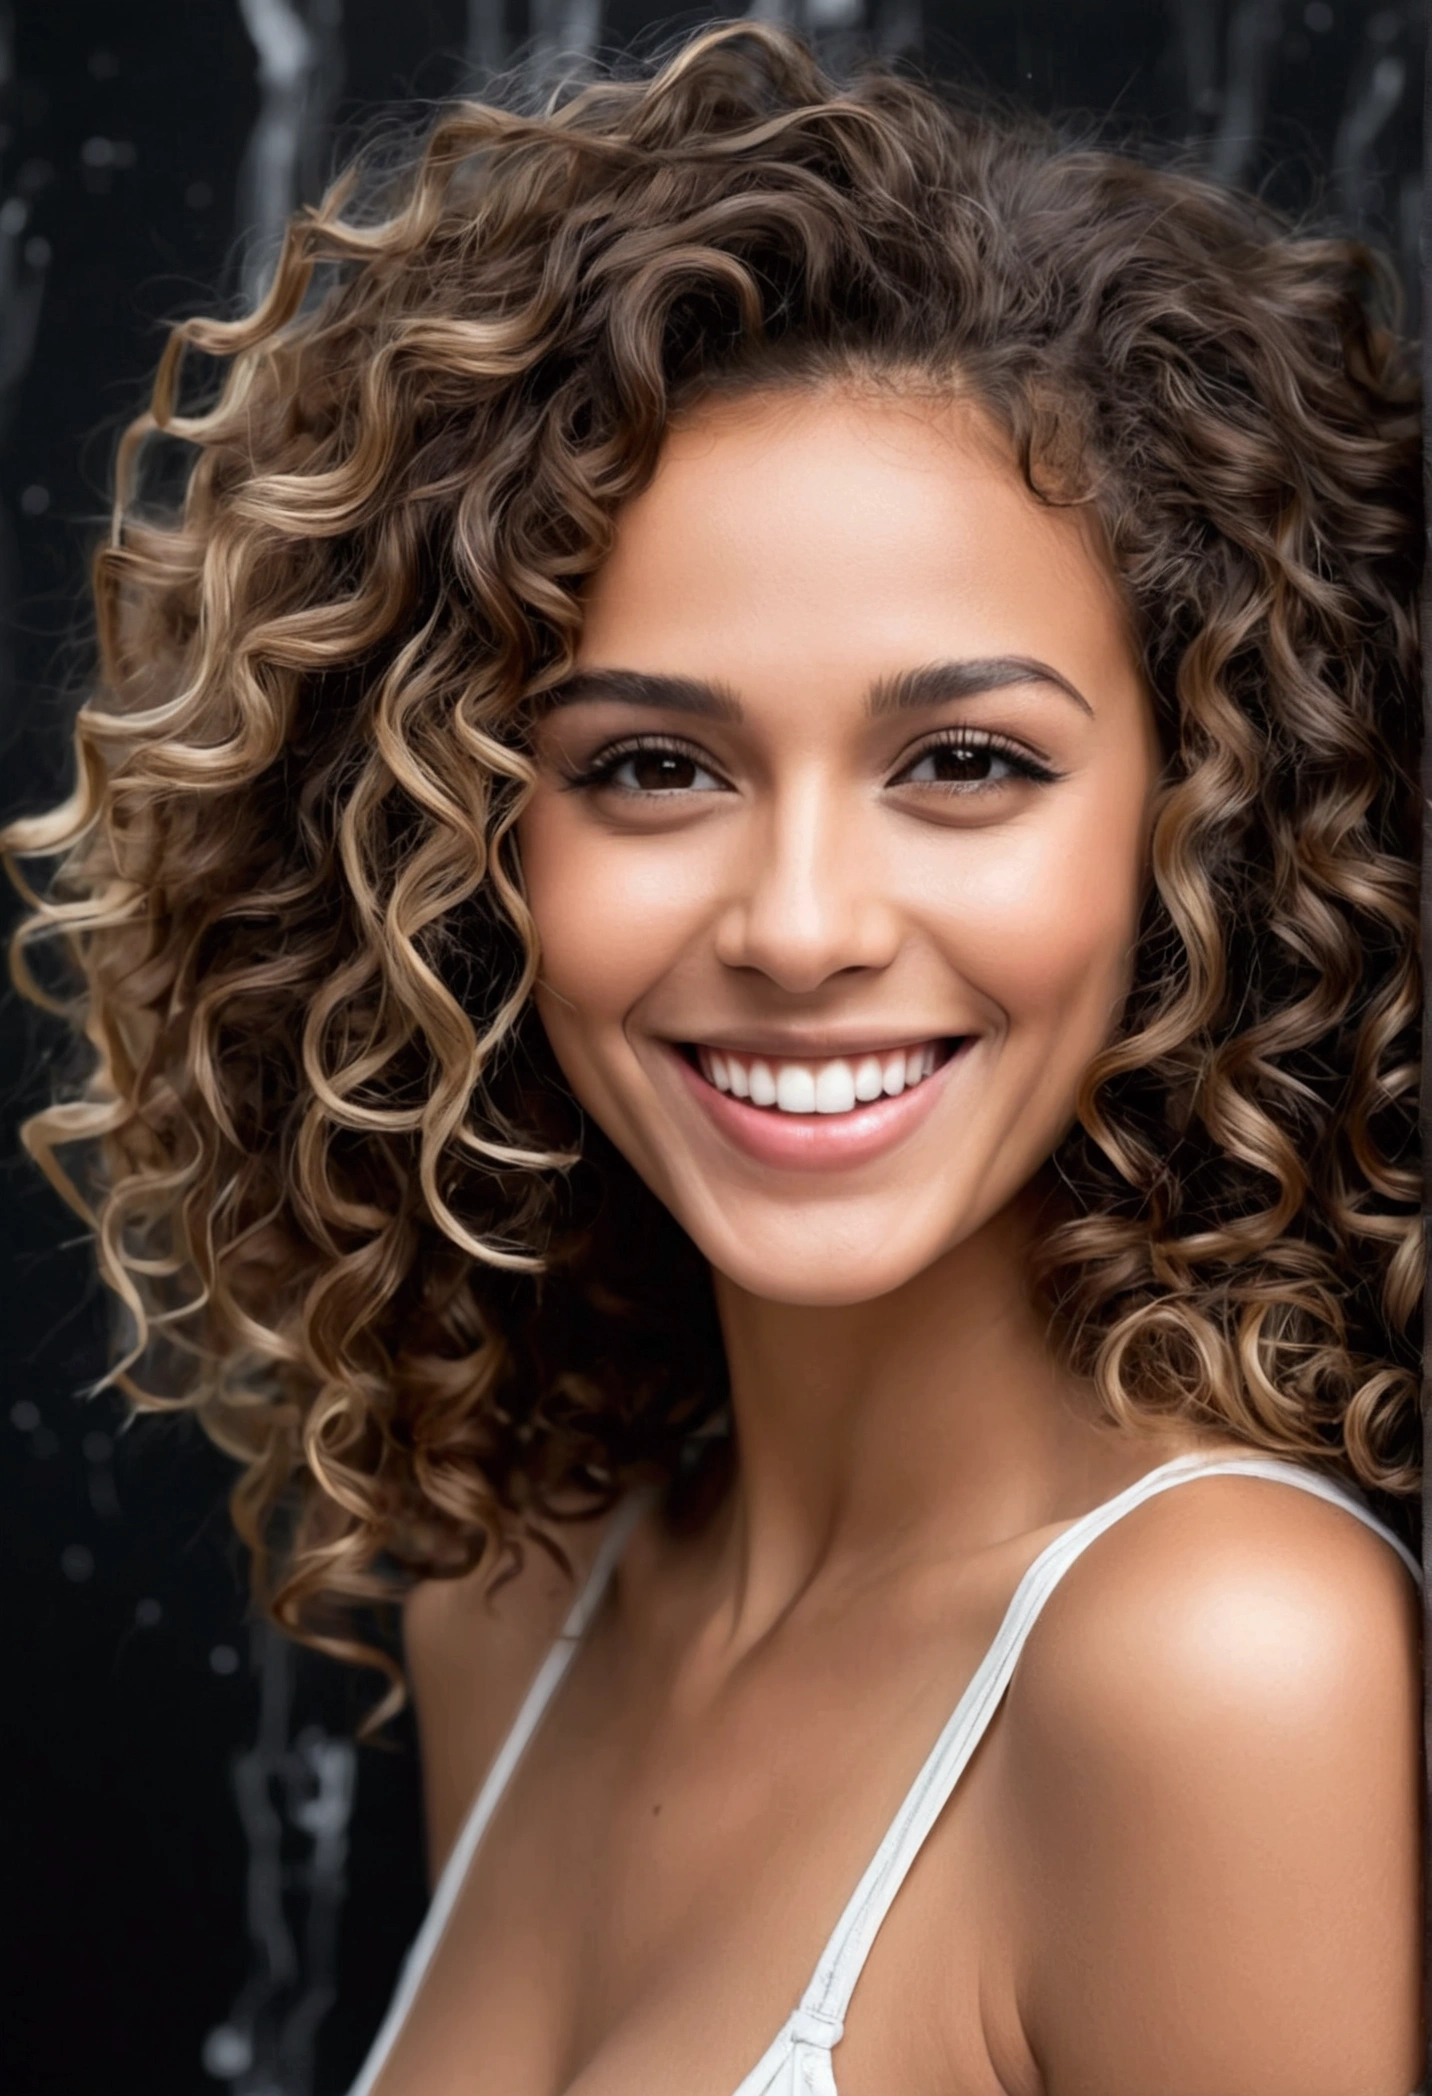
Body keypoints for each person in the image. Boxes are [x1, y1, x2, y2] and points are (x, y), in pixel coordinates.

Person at [5, 20, 1423, 2094]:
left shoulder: (1214, 1660)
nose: (796, 923)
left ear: (1200, 821)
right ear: (456, 840)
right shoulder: (526, 1589)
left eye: (963, 762)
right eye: (652, 767)